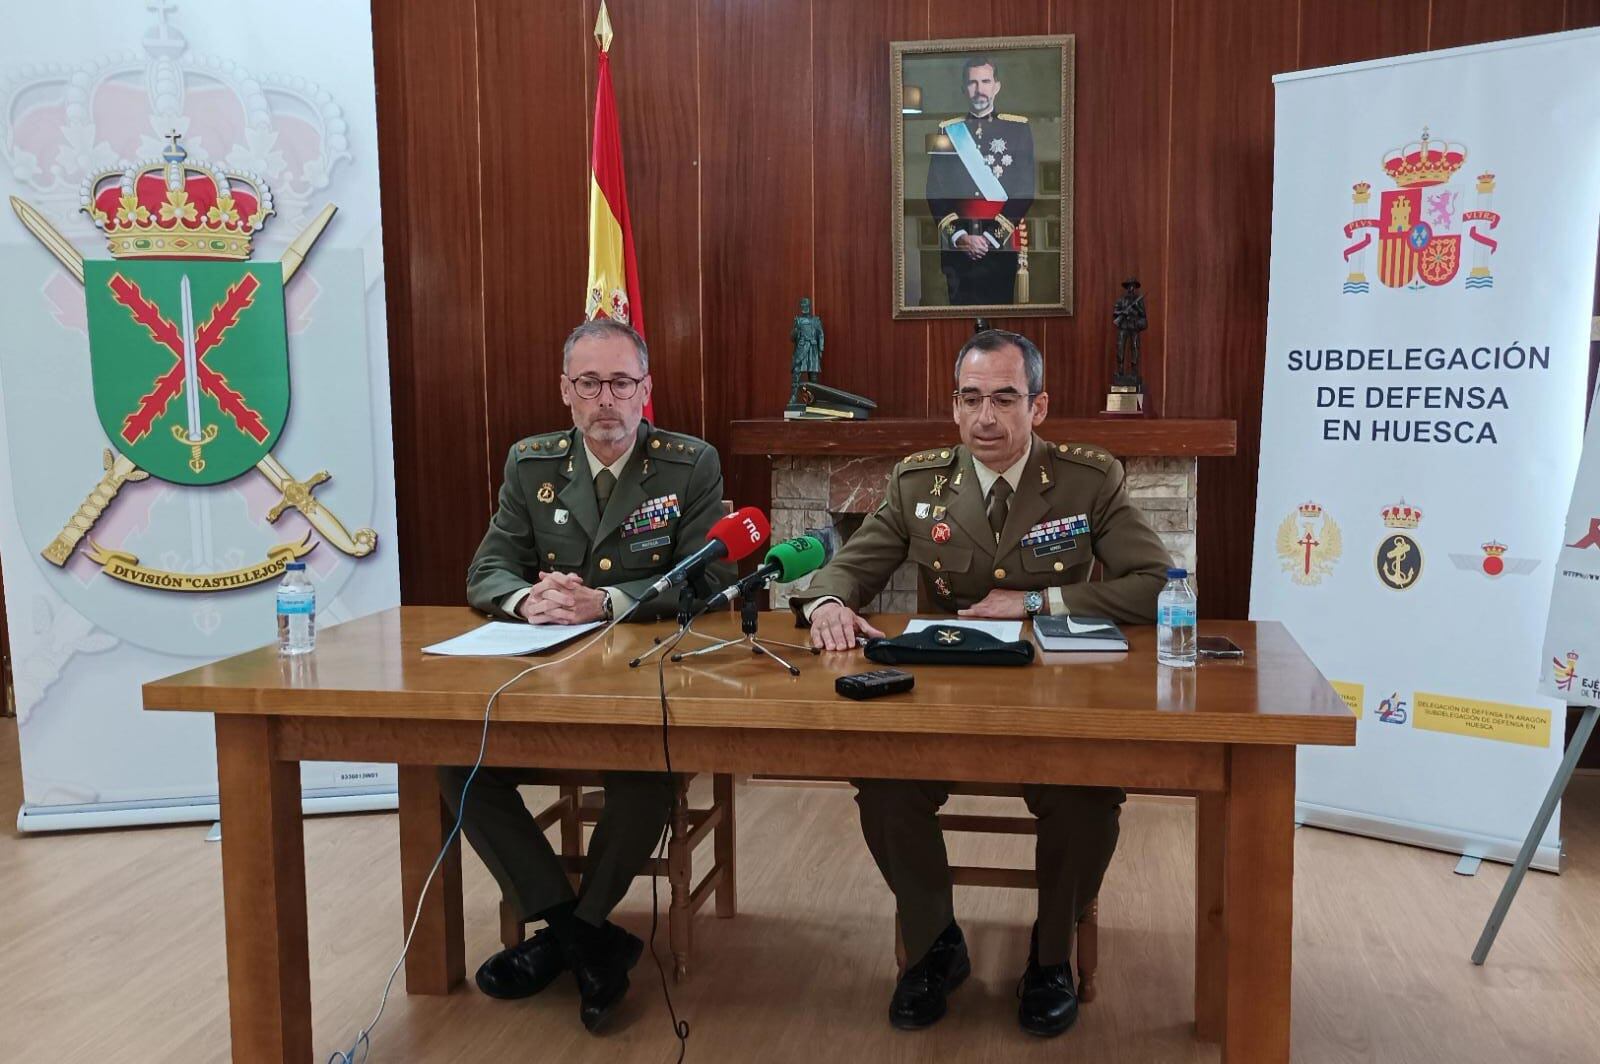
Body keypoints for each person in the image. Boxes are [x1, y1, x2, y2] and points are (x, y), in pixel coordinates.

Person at [791, 329, 1172, 1037]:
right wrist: (830, 602)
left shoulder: (1088, 479)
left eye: (1005, 398)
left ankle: (1051, 955)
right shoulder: (917, 483)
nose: (987, 418)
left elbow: (1154, 586)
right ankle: (936, 946)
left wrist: (1035, 603)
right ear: (955, 406)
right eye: (971, 399)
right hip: (946, 699)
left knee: (1088, 796)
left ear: (1040, 406)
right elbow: (852, 566)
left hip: (1061, 699)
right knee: (884, 786)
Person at [444, 318, 733, 1033]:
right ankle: (583, 937)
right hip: (547, 680)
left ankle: (579, 930)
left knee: (648, 771)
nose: (606, 400)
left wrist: (605, 601)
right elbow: (489, 568)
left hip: (646, 677)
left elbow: (710, 578)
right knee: (458, 765)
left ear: (646, 390)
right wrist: (526, 599)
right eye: (589, 384)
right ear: (565, 391)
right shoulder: (533, 463)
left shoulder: (688, 463)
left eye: (621, 383)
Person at [925, 56, 1035, 306]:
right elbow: (935, 192)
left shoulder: (1018, 129)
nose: (979, 88)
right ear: (964, 89)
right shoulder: (947, 131)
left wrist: (991, 238)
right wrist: (961, 236)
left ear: (997, 86)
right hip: (958, 246)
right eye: (972, 82)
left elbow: (1025, 190)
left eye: (985, 81)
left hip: (1001, 244)